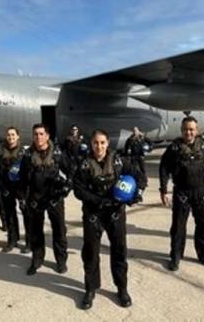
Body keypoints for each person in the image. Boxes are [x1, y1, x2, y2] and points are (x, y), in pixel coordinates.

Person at [74, 129, 146, 310]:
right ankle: (90, 289)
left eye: (102, 143)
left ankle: (122, 288)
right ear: (91, 144)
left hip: (115, 213)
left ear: (107, 144)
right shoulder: (84, 164)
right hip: (93, 214)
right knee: (90, 253)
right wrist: (98, 201)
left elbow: (139, 176)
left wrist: (136, 193)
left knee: (119, 251)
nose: (99, 146)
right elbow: (78, 190)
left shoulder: (119, 161)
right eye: (95, 143)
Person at [159, 116, 204, 271]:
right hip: (181, 192)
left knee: (203, 225)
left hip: (200, 191)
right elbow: (164, 168)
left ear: (196, 130)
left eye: (191, 129)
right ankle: (176, 256)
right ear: (181, 130)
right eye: (185, 129)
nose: (188, 132)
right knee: (178, 227)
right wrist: (163, 190)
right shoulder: (174, 149)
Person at [20, 123, 74, 275]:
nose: (38, 137)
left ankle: (61, 261)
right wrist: (22, 197)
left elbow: (71, 170)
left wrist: (67, 187)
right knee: (36, 232)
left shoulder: (57, 153)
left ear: (47, 136)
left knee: (59, 231)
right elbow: (22, 178)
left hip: (54, 198)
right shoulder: (28, 155)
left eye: (41, 134)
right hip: (35, 198)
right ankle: (37, 259)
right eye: (36, 134)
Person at [0, 127, 30, 253]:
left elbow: (28, 172)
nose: (11, 137)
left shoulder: (24, 152)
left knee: (27, 216)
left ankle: (29, 242)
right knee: (10, 215)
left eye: (13, 135)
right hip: (7, 188)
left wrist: (26, 190)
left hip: (21, 188)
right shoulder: (1, 152)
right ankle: (12, 239)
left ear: (18, 136)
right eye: (8, 135)